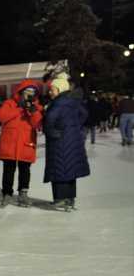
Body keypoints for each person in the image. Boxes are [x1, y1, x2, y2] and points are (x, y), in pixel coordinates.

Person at [43, 75, 90, 211]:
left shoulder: (57, 103)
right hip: (73, 139)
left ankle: (60, 199)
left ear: (59, 89)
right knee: (70, 170)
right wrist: (74, 127)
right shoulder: (73, 101)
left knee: (60, 169)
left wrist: (52, 132)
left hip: (60, 142)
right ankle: (70, 199)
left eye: (52, 89)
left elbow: (49, 121)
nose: (50, 92)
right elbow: (84, 114)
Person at [0, 80, 43, 207]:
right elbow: (0, 116)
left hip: (26, 143)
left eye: (32, 93)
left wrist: (32, 112)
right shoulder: (10, 103)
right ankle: (7, 194)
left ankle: (23, 194)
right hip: (10, 143)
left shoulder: (35, 106)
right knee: (8, 170)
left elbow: (37, 124)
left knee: (25, 170)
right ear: (20, 93)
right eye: (27, 92)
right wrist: (20, 109)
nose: (29, 95)